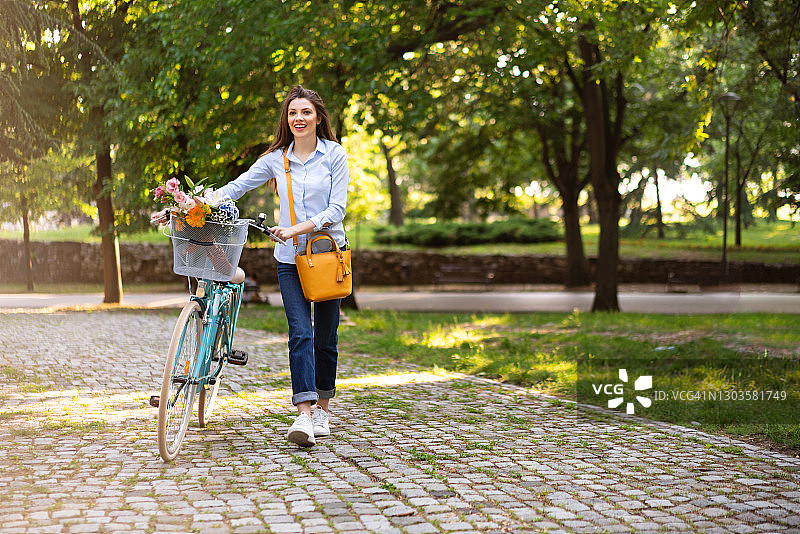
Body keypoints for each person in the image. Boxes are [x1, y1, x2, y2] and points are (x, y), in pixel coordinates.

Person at [216, 85, 349, 448]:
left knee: (325, 336)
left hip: (325, 256)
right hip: (290, 260)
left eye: (306, 112)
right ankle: (304, 414)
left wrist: (296, 229)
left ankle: (323, 407)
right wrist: (185, 203)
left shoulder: (334, 155)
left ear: (318, 117)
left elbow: (337, 210)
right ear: (286, 120)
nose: (299, 118)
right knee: (299, 333)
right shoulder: (277, 158)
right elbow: (237, 186)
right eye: (293, 113)